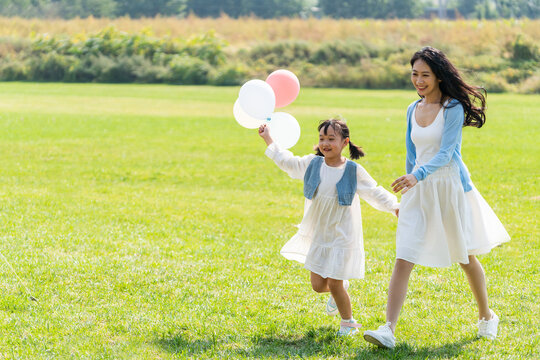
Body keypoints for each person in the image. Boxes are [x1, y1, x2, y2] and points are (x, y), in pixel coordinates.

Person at [363, 47, 510, 349]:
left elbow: (446, 153)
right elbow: (411, 154)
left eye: (425, 75)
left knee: (464, 256)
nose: (418, 80)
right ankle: (388, 329)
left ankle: (487, 315)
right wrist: (408, 189)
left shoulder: (452, 108)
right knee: (404, 256)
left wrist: (417, 175)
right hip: (418, 188)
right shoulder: (411, 109)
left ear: (439, 76)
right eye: (414, 74)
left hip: (448, 186)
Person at [259, 119, 399, 336]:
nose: (325, 143)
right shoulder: (312, 164)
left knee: (334, 282)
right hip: (319, 233)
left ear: (345, 142)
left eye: (331, 139)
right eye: (322, 138)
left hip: (343, 234)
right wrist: (269, 138)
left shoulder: (353, 170)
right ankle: (339, 291)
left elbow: (374, 191)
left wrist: (394, 207)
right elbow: (288, 161)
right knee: (317, 285)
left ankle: (348, 323)